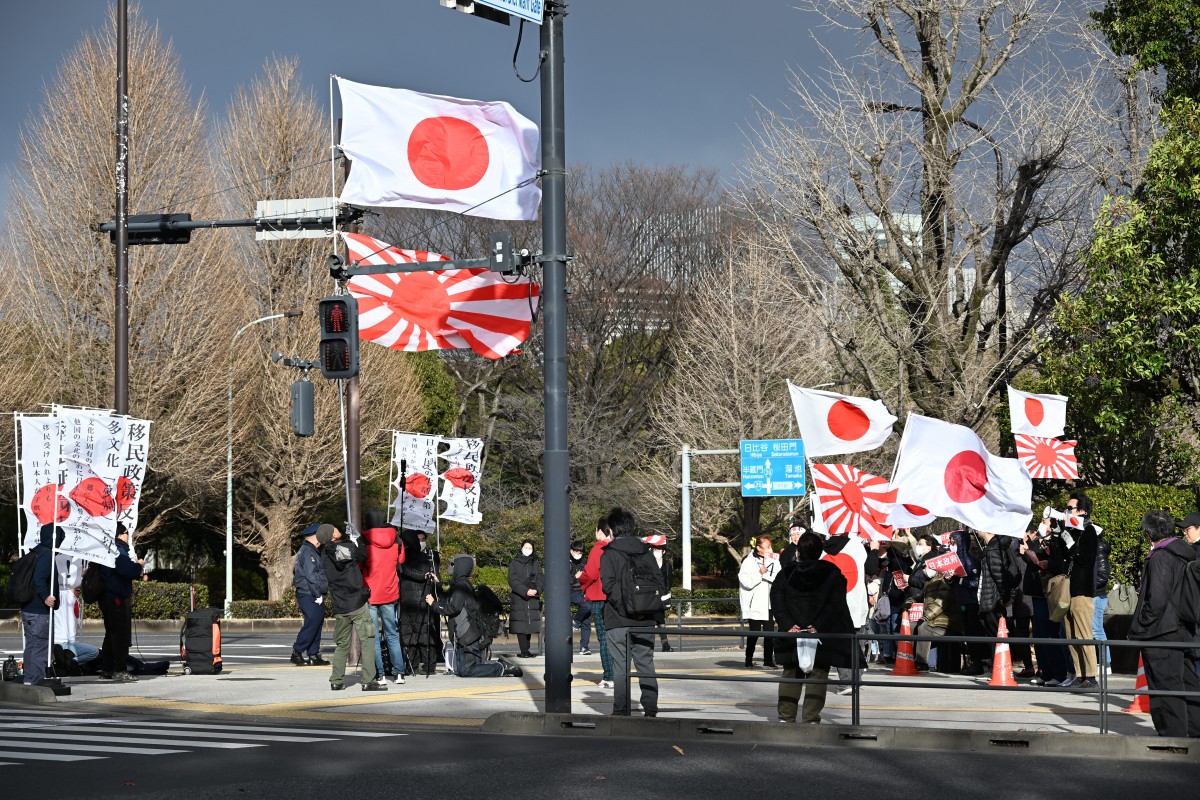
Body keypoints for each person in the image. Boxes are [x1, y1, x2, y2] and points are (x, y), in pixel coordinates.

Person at [1128, 510, 1200, 737]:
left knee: (1164, 685)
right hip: (1184, 628)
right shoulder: (1186, 553)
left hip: (1161, 631)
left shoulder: (1161, 556)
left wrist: (1143, 625)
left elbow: (1156, 600)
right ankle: (1194, 732)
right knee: (1187, 683)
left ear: (1148, 534)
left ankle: (1173, 736)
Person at [772, 531, 854, 724]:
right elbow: (836, 603)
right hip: (819, 632)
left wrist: (787, 623)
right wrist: (818, 625)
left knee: (791, 673)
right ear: (820, 551)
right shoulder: (831, 573)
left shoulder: (786, 573)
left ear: (798, 551)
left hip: (791, 630)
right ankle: (810, 718)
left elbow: (776, 599)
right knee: (818, 674)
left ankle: (786, 717)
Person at [600, 507, 660, 717]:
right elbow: (658, 583)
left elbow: (608, 586)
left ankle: (621, 711)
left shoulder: (609, 554)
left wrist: (627, 608)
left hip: (618, 619)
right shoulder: (646, 551)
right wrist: (642, 611)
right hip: (646, 617)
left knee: (620, 667)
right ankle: (651, 710)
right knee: (646, 664)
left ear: (612, 531)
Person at [426, 554, 523, 678]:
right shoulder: (460, 585)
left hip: (468, 635)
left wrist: (433, 604)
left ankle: (502, 667)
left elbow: (452, 608)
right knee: (464, 669)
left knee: (467, 670)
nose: (451, 567)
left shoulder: (461, 586)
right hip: (464, 635)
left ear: (461, 567)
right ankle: (500, 666)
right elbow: (447, 600)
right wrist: (438, 585)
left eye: (453, 564)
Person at [317, 524, 385, 692]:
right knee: (367, 641)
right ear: (333, 535)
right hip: (356, 602)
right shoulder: (344, 547)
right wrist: (358, 538)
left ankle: (336, 680)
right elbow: (362, 555)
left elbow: (340, 560)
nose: (336, 528)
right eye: (334, 528)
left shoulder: (324, 555)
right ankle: (368, 680)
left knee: (342, 644)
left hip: (340, 606)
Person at [821, 529, 878, 693]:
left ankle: (847, 682)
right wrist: (873, 549)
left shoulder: (821, 549)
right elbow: (871, 568)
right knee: (857, 643)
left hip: (833, 604)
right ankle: (855, 681)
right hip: (856, 604)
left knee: (840, 644)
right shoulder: (857, 546)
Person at [1060, 493, 1100, 689]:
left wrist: (1069, 541)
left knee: (1084, 634)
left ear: (1082, 511)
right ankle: (1079, 673)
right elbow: (1063, 556)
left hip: (1082, 591)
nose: (1067, 512)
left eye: (1070, 509)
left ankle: (1091, 675)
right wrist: (1062, 534)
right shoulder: (1072, 531)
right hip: (1070, 590)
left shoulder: (1089, 531)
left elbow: (1085, 559)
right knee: (1071, 636)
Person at [361, 509, 406, 684]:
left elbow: (359, 563)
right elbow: (400, 561)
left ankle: (380, 675)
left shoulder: (363, 540)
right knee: (392, 634)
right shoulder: (396, 539)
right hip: (390, 592)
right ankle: (399, 673)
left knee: (373, 638)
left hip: (370, 595)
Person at [99, 523, 144, 682]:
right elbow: (127, 570)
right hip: (117, 597)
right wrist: (138, 566)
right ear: (118, 534)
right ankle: (120, 670)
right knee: (120, 635)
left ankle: (107, 669)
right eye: (126, 533)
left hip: (107, 596)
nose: (128, 536)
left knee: (111, 634)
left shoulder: (106, 549)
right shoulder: (118, 550)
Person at [20, 524, 61, 686]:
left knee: (32, 644)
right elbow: (39, 579)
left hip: (29, 608)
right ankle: (36, 682)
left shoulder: (36, 552)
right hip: (39, 611)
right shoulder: (46, 555)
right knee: (39, 645)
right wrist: (46, 597)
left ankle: (29, 679)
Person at [398, 528, 441, 675]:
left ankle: (424, 665)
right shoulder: (409, 558)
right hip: (409, 601)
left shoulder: (419, 559)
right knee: (415, 634)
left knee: (421, 634)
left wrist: (402, 567)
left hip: (418, 600)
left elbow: (422, 574)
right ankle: (414, 665)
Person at [580, 513, 615, 688]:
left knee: (603, 637)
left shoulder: (598, 549)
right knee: (616, 637)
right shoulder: (618, 548)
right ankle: (618, 673)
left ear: (600, 531)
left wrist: (581, 580)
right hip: (616, 599)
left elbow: (591, 574)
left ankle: (609, 676)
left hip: (599, 597)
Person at [291, 523, 329, 667]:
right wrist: (317, 593)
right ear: (315, 536)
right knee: (312, 622)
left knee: (317, 623)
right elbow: (311, 576)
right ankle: (297, 651)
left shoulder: (311, 550)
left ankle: (313, 653)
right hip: (309, 593)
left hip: (311, 593)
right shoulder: (308, 552)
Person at [739, 535, 778, 668]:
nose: (769, 549)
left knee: (770, 633)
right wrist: (759, 573)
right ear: (759, 548)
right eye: (767, 547)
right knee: (754, 632)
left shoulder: (772, 560)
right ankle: (748, 658)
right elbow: (745, 581)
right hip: (754, 602)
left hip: (768, 602)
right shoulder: (749, 561)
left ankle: (768, 659)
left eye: (770, 546)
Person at [507, 539, 544, 658]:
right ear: (521, 547)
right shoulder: (514, 563)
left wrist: (537, 590)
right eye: (526, 547)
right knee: (521, 624)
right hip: (519, 597)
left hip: (533, 597)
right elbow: (513, 581)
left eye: (530, 548)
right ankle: (524, 650)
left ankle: (526, 650)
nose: (528, 550)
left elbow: (541, 578)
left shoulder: (536, 564)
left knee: (529, 624)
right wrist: (525, 591)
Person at [643, 534, 674, 652]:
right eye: (654, 549)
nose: (656, 551)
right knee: (650, 619)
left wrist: (666, 593)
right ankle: (649, 644)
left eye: (658, 549)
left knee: (660, 618)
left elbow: (669, 581)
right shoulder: (648, 564)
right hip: (650, 596)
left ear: (663, 552)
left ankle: (665, 643)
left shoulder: (667, 566)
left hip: (662, 596)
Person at [569, 541, 593, 655]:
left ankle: (584, 646)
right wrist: (575, 577)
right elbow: (562, 580)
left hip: (584, 590)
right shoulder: (566, 561)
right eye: (577, 551)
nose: (579, 554)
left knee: (587, 620)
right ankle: (576, 620)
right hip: (571, 591)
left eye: (581, 552)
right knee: (587, 605)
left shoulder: (585, 561)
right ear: (571, 551)